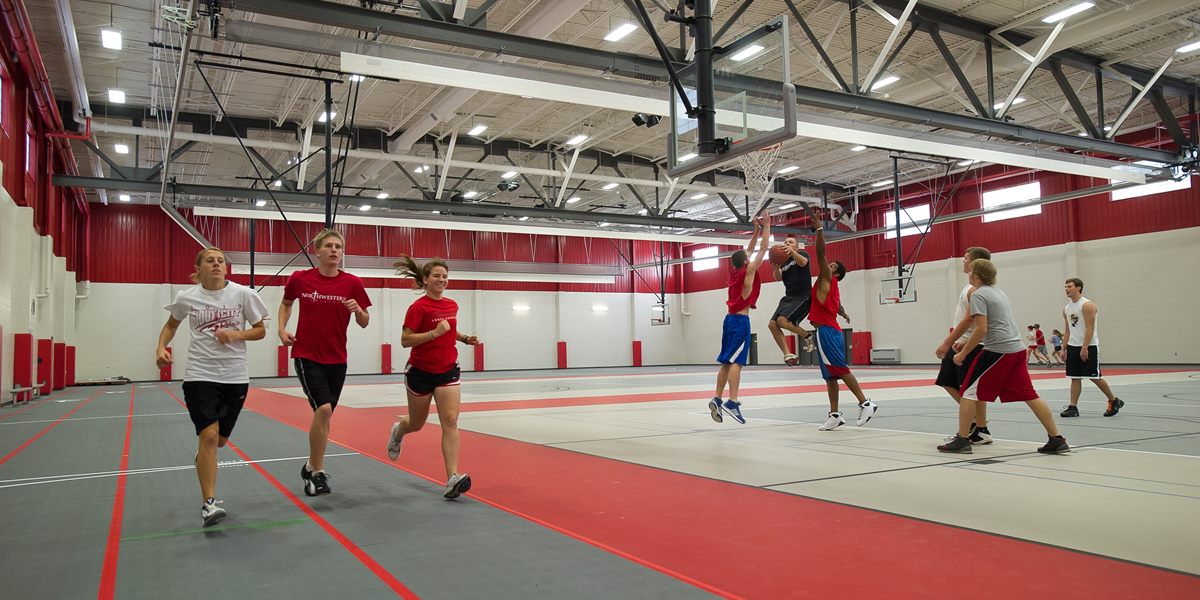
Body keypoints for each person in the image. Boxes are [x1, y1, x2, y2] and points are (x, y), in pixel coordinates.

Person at [156, 247, 269, 526]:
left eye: (221, 261)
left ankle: (204, 455)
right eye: (210, 260)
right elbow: (171, 325)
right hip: (199, 375)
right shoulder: (187, 297)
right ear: (199, 268)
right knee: (208, 436)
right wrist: (161, 347)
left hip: (235, 377)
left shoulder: (243, 294)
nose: (217, 264)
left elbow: (260, 329)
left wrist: (235, 334)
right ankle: (209, 503)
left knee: (219, 440)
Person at [936, 259, 1069, 454]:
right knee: (1030, 395)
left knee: (967, 392)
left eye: (970, 271)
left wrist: (963, 353)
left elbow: (981, 328)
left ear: (977, 275)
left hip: (998, 352)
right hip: (1016, 349)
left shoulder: (979, 295)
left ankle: (962, 440)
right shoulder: (998, 292)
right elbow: (998, 324)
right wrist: (966, 343)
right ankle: (1056, 439)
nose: (968, 274)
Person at [278, 229, 372, 496]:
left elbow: (365, 323)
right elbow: (286, 304)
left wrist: (359, 311)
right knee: (323, 410)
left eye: (338, 247)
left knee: (326, 414)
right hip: (307, 354)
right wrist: (282, 329)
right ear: (317, 251)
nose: (334, 250)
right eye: (329, 246)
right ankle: (317, 472)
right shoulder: (300, 279)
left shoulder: (353, 283)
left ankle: (309, 466)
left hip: (337, 358)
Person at [386, 256, 480, 499]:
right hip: (420, 372)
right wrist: (433, 333)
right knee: (416, 423)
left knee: (450, 420)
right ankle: (399, 431)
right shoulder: (418, 308)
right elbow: (406, 340)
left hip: (447, 369)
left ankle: (452, 477)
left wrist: (463, 338)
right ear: (426, 280)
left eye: (445, 276)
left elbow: (448, 327)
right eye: (437, 275)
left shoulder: (451, 304)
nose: (442, 279)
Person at [802, 205, 877, 431]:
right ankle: (834, 414)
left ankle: (866, 403)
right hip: (826, 329)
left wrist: (819, 230)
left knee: (841, 369)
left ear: (834, 274)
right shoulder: (831, 287)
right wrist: (843, 312)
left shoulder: (827, 278)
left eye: (832, 266)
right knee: (830, 377)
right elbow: (836, 305)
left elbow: (820, 252)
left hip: (826, 330)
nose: (828, 265)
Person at [709, 213, 770, 425]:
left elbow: (751, 249)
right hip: (740, 322)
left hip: (728, 320)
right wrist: (768, 227)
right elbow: (762, 250)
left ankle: (716, 398)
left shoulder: (734, 271)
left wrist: (755, 231)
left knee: (726, 361)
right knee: (737, 362)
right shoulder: (749, 271)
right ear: (746, 262)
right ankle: (732, 402)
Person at [934, 247, 993, 444]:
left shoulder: (975, 291)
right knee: (954, 383)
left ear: (975, 262)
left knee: (968, 388)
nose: (962, 261)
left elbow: (970, 321)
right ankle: (979, 425)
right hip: (962, 343)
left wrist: (947, 342)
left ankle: (977, 425)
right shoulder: (969, 287)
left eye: (966, 258)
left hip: (968, 345)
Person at [1059, 278, 1124, 417]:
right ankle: (1073, 407)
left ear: (1078, 288)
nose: (1066, 289)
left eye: (1069, 286)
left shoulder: (1087, 305)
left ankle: (1114, 400)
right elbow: (1067, 330)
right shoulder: (1066, 309)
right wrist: (1063, 348)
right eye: (1065, 286)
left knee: (1094, 377)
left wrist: (1085, 347)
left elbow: (1090, 328)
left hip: (1089, 346)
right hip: (1072, 346)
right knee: (1074, 377)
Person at [766, 236, 815, 365]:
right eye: (785, 242)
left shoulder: (802, 254)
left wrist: (792, 252)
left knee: (782, 321)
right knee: (772, 324)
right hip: (789, 297)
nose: (787, 243)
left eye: (790, 242)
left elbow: (803, 263)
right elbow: (778, 278)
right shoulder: (784, 261)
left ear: (797, 246)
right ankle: (787, 354)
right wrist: (776, 266)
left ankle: (807, 336)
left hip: (803, 296)